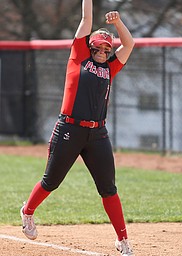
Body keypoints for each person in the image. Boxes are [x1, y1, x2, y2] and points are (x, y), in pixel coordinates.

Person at [20, 0, 135, 255]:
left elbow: (129, 45)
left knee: (109, 189)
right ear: (91, 46)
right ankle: (27, 211)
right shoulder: (78, 57)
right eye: (101, 46)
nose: (105, 51)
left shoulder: (111, 68)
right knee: (51, 182)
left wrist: (117, 23)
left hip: (98, 134)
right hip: (69, 129)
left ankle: (123, 240)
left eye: (108, 48)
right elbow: (86, 19)